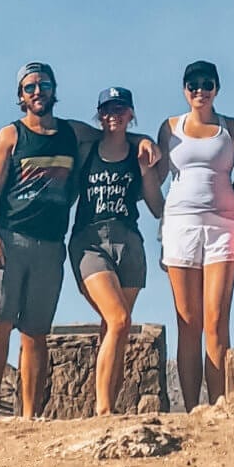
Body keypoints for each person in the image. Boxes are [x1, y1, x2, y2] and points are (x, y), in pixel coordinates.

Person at [0, 62, 97, 421]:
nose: (37, 91)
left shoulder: (73, 133)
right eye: (29, 87)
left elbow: (111, 135)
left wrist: (143, 143)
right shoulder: (10, 136)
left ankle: (29, 413)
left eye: (43, 84)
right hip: (10, 239)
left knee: (36, 331)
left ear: (54, 89)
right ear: (21, 96)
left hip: (51, 244)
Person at [157, 59, 234, 410]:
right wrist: (157, 210)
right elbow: (157, 174)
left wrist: (230, 207)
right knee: (188, 321)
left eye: (207, 84)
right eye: (193, 84)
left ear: (217, 88)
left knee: (217, 319)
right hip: (181, 224)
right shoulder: (170, 127)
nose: (200, 90)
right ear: (184, 89)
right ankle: (194, 406)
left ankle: (220, 403)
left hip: (223, 227)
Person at [68, 86, 164, 416]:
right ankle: (104, 410)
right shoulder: (87, 150)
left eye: (120, 109)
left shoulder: (139, 154)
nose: (114, 115)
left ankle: (109, 403)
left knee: (115, 330)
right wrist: (142, 137)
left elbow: (155, 206)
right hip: (90, 240)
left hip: (129, 242)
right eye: (107, 109)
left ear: (131, 112)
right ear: (99, 113)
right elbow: (68, 128)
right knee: (119, 319)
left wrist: (146, 163)